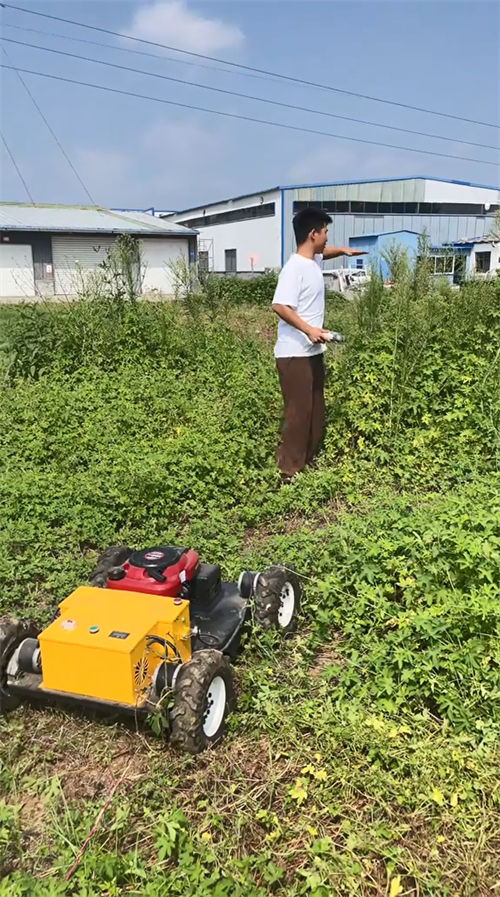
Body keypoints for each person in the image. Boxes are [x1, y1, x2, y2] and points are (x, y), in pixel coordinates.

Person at [272, 207, 365, 483]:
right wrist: (309, 329)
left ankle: (307, 462)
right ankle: (288, 472)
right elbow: (279, 305)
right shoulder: (294, 269)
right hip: (294, 353)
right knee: (298, 413)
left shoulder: (312, 261)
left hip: (312, 351)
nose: (326, 237)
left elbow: (326, 252)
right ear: (313, 234)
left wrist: (346, 252)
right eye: (324, 232)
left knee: (315, 408)